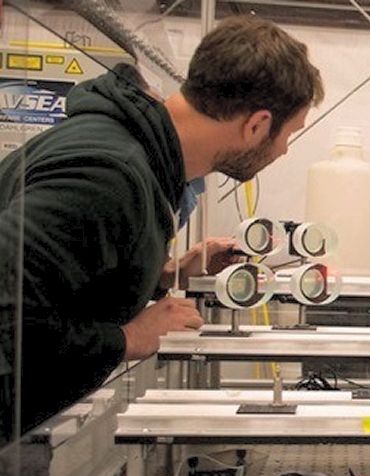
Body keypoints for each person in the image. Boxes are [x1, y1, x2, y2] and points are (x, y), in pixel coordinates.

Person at [0, 16, 324, 449]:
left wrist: (168, 271)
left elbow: (64, 269)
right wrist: (127, 338)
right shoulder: (109, 174)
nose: (284, 151)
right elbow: (8, 302)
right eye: (290, 134)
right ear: (257, 125)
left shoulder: (141, 158)